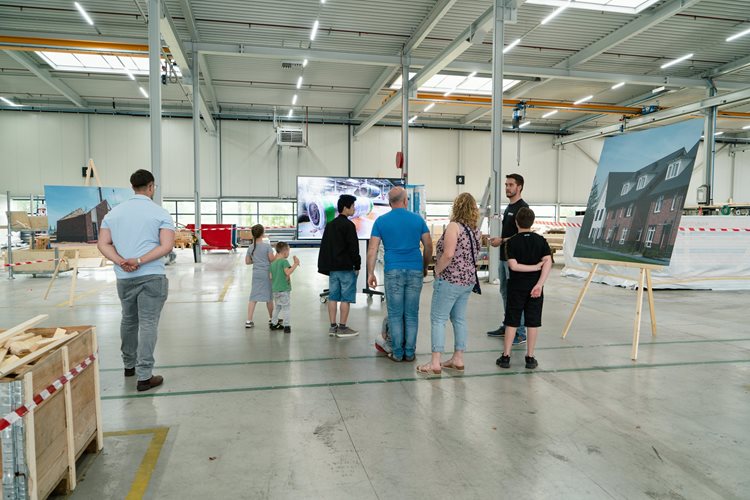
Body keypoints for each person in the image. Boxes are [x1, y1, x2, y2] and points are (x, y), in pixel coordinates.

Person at [97, 169, 175, 392]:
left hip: (125, 277)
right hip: (152, 276)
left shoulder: (112, 214)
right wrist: (139, 260)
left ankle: (129, 366)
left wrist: (122, 261)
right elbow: (166, 246)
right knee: (148, 323)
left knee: (129, 321)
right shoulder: (160, 213)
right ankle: (144, 376)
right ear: (151, 187)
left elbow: (103, 244)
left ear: (132, 187)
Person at [417, 193, 480, 375]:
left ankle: (435, 362)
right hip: (467, 281)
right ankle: (458, 358)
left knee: (438, 319)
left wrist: (437, 270)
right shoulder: (475, 229)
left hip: (450, 280)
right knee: (459, 319)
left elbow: (449, 254)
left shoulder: (454, 226)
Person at [367, 187, 432, 362]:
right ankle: (409, 353)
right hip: (415, 270)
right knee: (411, 314)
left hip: (393, 271)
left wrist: (370, 273)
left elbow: (372, 249)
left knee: (395, 314)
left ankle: (397, 352)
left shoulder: (381, 221)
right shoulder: (417, 220)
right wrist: (424, 266)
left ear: (389, 203)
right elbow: (428, 245)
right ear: (406, 201)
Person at [495, 207, 552, 370]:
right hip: (536, 288)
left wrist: (533, 267)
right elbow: (548, 262)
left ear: (515, 222)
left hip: (516, 287)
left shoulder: (511, 242)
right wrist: (539, 284)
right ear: (532, 222)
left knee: (512, 321)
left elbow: (513, 266)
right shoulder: (541, 240)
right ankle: (530, 357)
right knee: (532, 322)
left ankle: (506, 357)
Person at [488, 173, 529, 345]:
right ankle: (508, 325)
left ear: (519, 187)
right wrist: (498, 238)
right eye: (506, 185)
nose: (507, 188)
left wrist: (501, 240)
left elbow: (522, 234)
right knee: (505, 293)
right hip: (504, 257)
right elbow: (509, 233)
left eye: (511, 185)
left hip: (514, 260)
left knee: (514, 295)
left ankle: (519, 332)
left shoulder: (522, 208)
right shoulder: (510, 208)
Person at [317, 194, 361, 338]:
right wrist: (357, 264)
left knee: (333, 297)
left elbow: (325, 247)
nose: (354, 209)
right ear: (345, 207)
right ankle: (342, 328)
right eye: (353, 206)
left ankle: (332, 327)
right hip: (346, 268)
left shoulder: (330, 225)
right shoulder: (349, 225)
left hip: (333, 269)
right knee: (345, 298)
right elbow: (354, 248)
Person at [245, 224, 275, 328]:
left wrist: (257, 260)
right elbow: (271, 259)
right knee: (269, 298)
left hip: (256, 274)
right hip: (266, 273)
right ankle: (272, 319)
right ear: (263, 234)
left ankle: (249, 320)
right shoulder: (267, 246)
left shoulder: (251, 247)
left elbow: (247, 262)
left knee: (253, 297)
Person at [269, 241, 299, 334]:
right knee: (286, 308)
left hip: (275, 290)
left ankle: (273, 323)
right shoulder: (284, 261)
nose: (288, 253)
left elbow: (270, 277)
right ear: (284, 251)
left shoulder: (272, 263)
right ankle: (287, 326)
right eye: (288, 251)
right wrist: (295, 264)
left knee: (277, 307)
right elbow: (287, 272)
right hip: (284, 290)